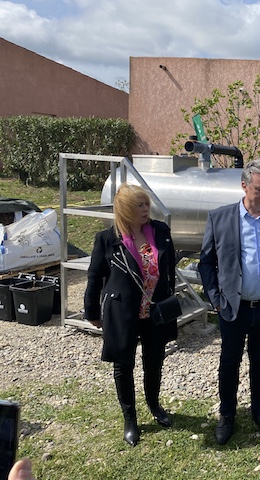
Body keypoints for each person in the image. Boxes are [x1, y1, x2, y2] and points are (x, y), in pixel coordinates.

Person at [199, 158, 260, 445]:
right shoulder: (220, 218)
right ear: (244, 186)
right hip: (233, 307)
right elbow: (206, 263)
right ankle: (227, 415)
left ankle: (259, 411)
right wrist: (216, 300)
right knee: (229, 361)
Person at [84, 183, 178, 446]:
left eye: (146, 203)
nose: (146, 209)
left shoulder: (160, 231)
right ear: (125, 209)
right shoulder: (107, 239)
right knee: (123, 365)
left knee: (154, 361)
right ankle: (130, 419)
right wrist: (92, 311)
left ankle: (154, 404)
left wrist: (169, 298)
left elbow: (169, 268)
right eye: (139, 205)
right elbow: (94, 278)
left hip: (155, 309)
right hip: (122, 311)